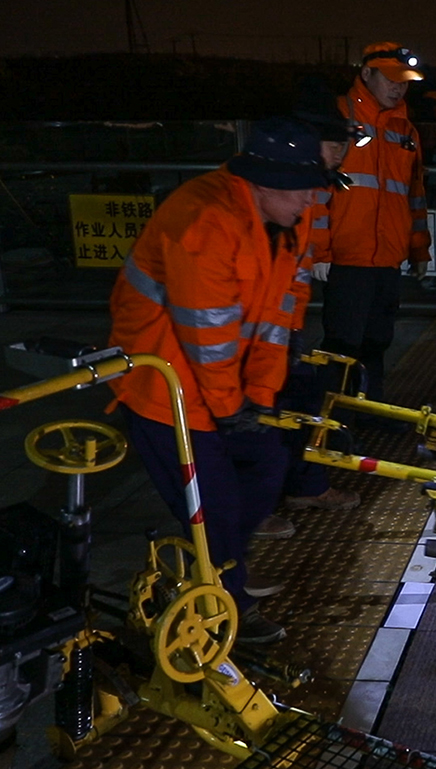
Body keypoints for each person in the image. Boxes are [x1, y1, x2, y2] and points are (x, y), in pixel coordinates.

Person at [108, 117, 328, 645]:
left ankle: (222, 569)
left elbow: (277, 315)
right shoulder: (205, 220)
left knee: (267, 465)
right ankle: (225, 603)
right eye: (301, 189)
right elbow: (207, 334)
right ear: (265, 184)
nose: (311, 201)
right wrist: (232, 411)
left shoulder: (284, 220)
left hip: (220, 384)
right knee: (216, 505)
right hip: (164, 387)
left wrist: (261, 397)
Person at [254, 75, 365, 526]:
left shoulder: (306, 184)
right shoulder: (270, 190)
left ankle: (305, 487)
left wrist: (290, 329)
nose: (341, 153)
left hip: (281, 324)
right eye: (334, 143)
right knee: (258, 416)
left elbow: (295, 266)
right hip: (249, 331)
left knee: (302, 397)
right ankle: (256, 509)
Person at [312, 42, 432, 411]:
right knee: (342, 344)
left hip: (388, 258)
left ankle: (369, 411)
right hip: (346, 257)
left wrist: (419, 249)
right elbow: (316, 189)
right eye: (392, 79)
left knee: (377, 341)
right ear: (366, 74)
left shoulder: (405, 128)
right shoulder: (336, 118)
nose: (399, 87)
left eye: (404, 81)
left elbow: (414, 194)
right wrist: (319, 251)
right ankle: (333, 417)